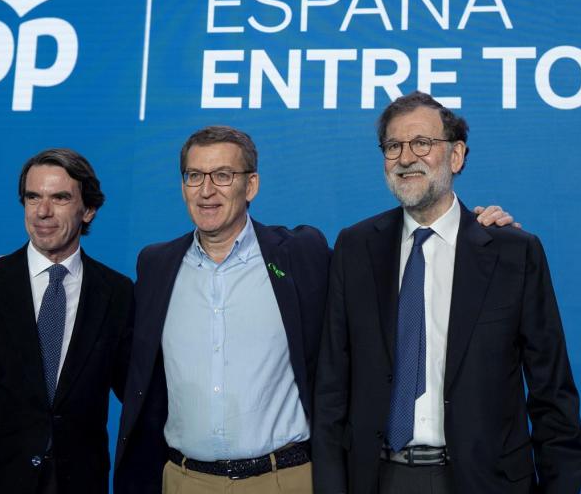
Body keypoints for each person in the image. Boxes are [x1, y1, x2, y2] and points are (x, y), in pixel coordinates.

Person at [114, 126, 515, 494]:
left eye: (223, 175)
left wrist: (467, 228)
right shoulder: (156, 265)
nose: (207, 191)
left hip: (282, 480)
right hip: (184, 481)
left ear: (251, 185)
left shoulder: (300, 255)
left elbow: (389, 269)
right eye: (194, 176)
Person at [313, 92, 581, 494]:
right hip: (378, 479)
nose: (406, 157)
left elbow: (553, 395)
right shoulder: (355, 248)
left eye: (422, 143)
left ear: (456, 156)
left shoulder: (512, 253)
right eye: (393, 146)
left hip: (485, 482)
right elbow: (331, 391)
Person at [0, 148, 133, 494]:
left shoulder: (118, 293)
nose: (43, 212)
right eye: (33, 198)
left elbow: (136, 397)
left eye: (60, 198)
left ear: (88, 210)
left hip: (78, 483)